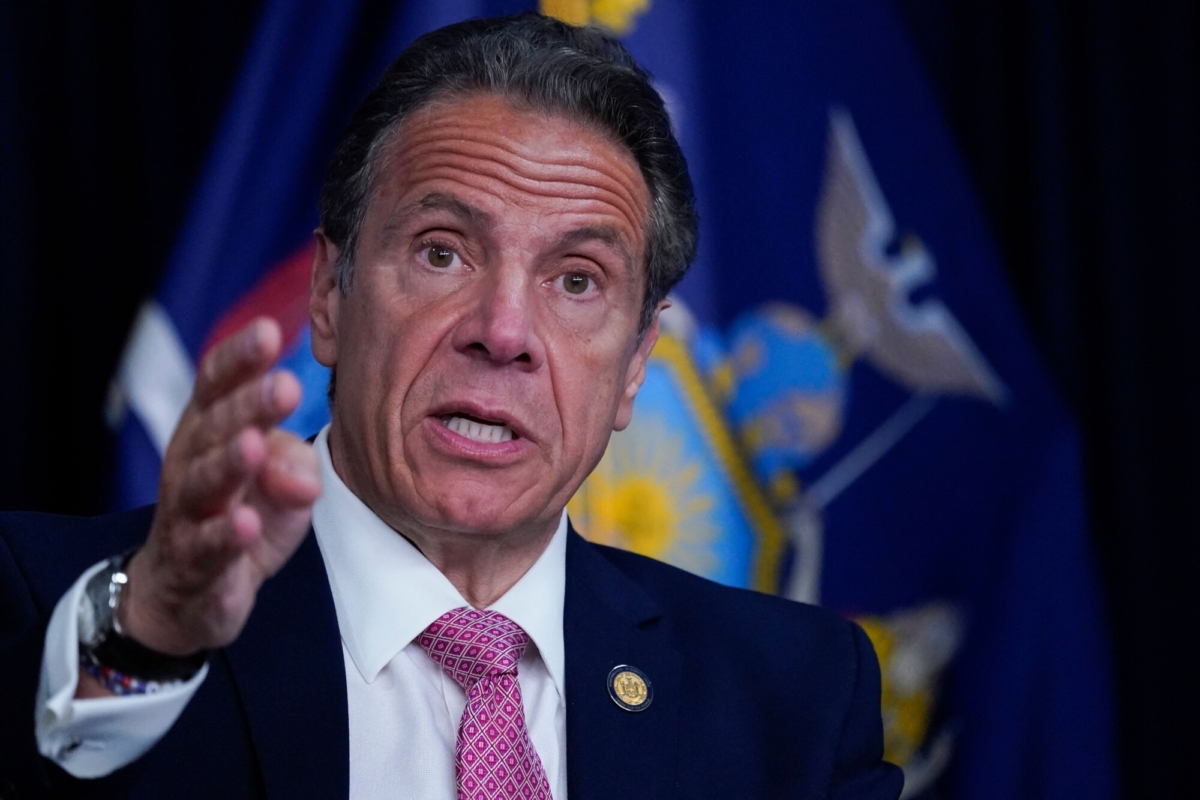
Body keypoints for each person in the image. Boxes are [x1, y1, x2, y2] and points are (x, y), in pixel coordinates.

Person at [0, 13, 903, 800]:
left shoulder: (795, 699)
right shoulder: (58, 605)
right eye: (442, 253)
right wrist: (148, 636)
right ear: (329, 295)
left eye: (577, 280)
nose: (504, 330)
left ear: (634, 366)